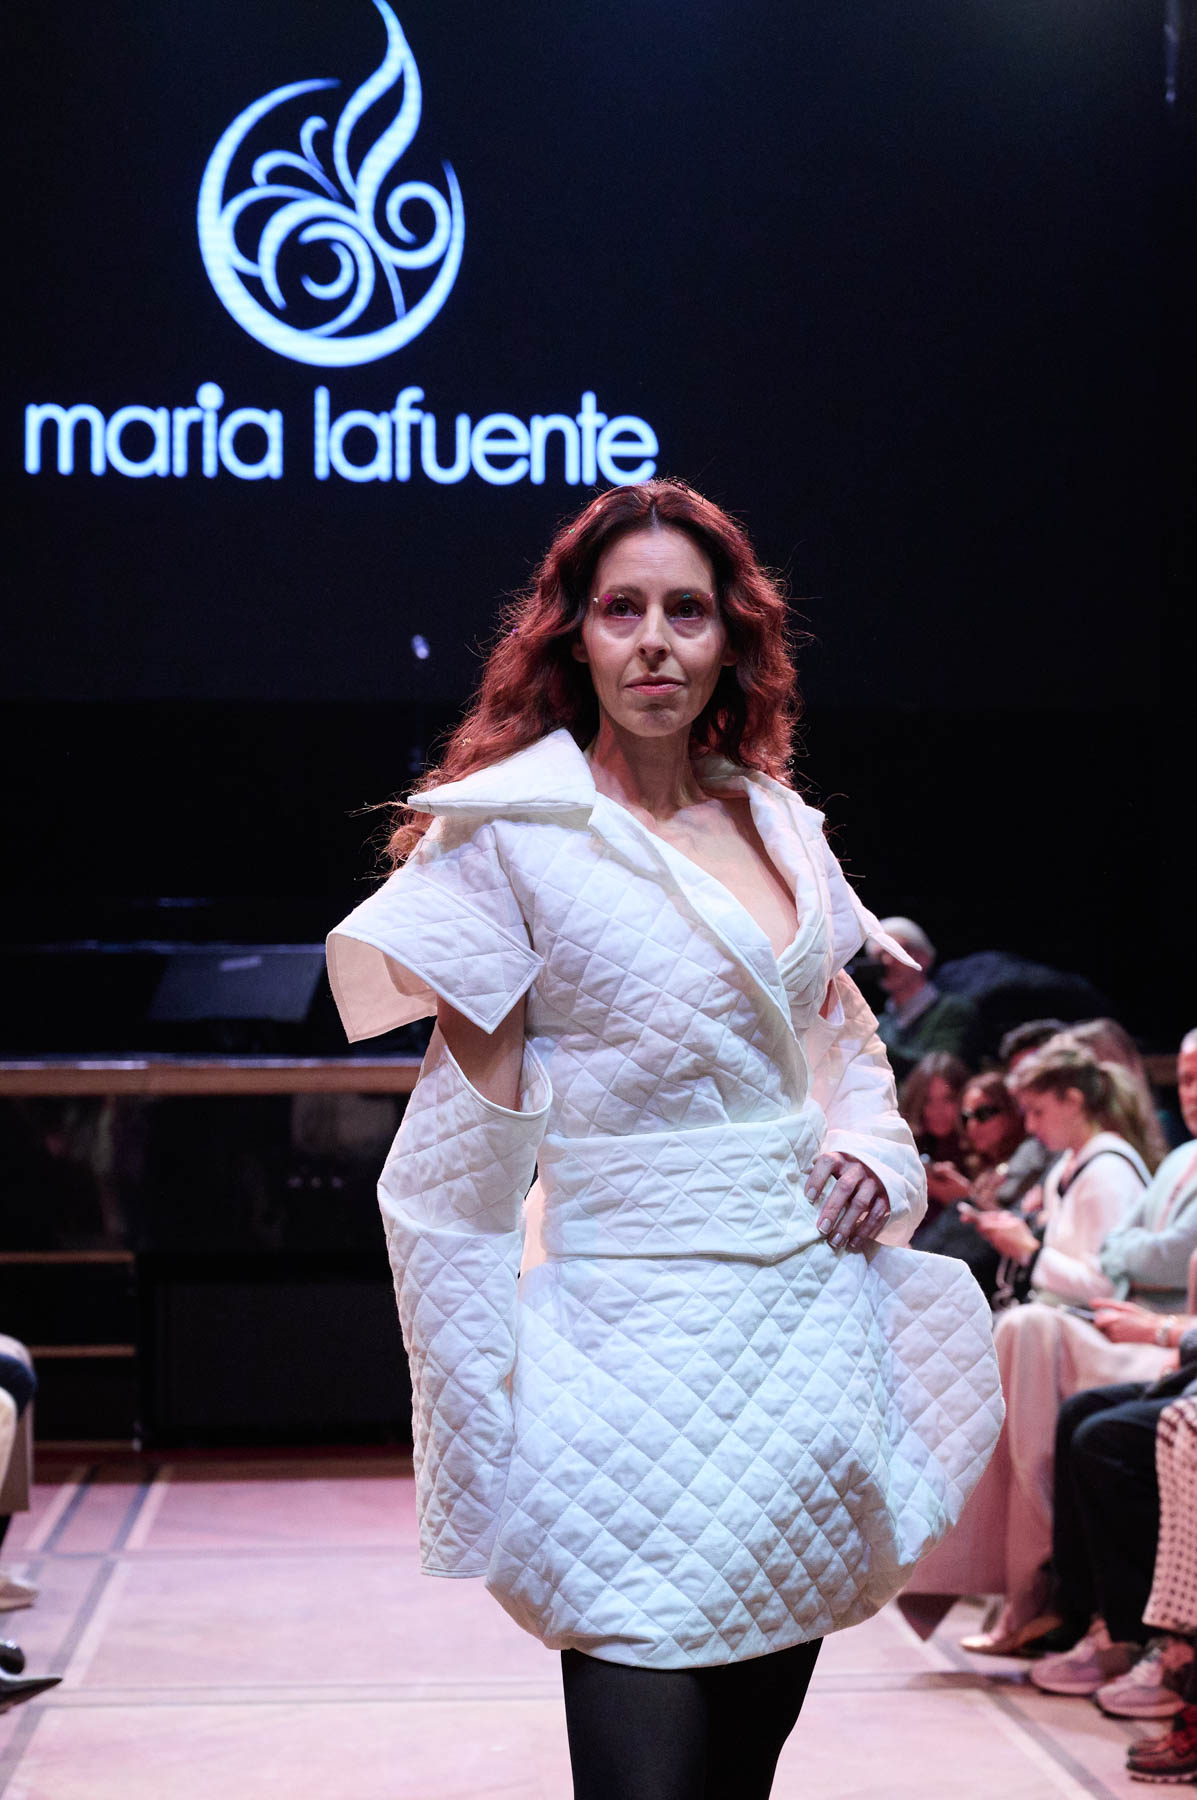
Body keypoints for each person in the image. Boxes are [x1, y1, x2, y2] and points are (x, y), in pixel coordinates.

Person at [325, 479, 1002, 1800]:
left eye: (685, 611)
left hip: (800, 1341)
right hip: (617, 1348)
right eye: (620, 609)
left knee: (738, 1776)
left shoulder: (782, 825)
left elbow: (842, 1043)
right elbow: (458, 1165)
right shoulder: (510, 836)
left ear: (729, 638)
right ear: (572, 635)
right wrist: (473, 1412)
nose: (653, 641)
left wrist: (876, 1152)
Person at [901, 1041, 1158, 1653]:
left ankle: (1034, 1588)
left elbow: (1106, 1284)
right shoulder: (1072, 1165)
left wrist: (1029, 1249)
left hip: (1109, 1337)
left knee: (1022, 1334)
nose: (1032, 1127)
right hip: (1068, 1330)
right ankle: (1019, 1588)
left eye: (1039, 1111)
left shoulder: (1107, 1170)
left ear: (1074, 1101)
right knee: (1010, 1344)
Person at [911, 1071, 1034, 1296]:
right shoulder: (985, 1168)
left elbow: (1012, 1223)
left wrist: (965, 1197)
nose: (973, 1125)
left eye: (984, 1113)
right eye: (967, 1117)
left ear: (1011, 1113)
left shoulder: (1027, 1162)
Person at [873, 918, 979, 1082]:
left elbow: (937, 1072)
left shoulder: (954, 1011)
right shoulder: (879, 1024)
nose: (887, 961)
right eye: (880, 954)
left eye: (896, 950)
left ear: (924, 957)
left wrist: (872, 1043)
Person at [899, 1052, 970, 1165]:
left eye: (947, 1099)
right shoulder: (902, 1145)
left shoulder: (979, 1146)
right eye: (928, 1100)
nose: (938, 1111)